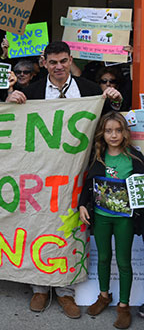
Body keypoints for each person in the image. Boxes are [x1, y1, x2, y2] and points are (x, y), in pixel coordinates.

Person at [7, 41, 124, 319]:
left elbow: (111, 119)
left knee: (71, 228)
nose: (59, 67)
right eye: (53, 62)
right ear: (43, 62)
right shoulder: (31, 92)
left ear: (70, 60)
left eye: (63, 61)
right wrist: (10, 101)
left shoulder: (90, 90)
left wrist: (115, 98)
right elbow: (11, 129)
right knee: (37, 225)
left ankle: (65, 291)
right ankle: (39, 287)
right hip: (38, 174)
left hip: (76, 173)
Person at [78, 112, 143, 329]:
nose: (113, 135)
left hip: (124, 219)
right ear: (102, 134)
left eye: (118, 130)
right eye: (108, 131)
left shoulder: (135, 158)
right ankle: (104, 295)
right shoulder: (97, 157)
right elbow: (87, 184)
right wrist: (82, 205)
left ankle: (123, 306)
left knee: (124, 262)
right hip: (102, 217)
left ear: (125, 132)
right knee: (103, 257)